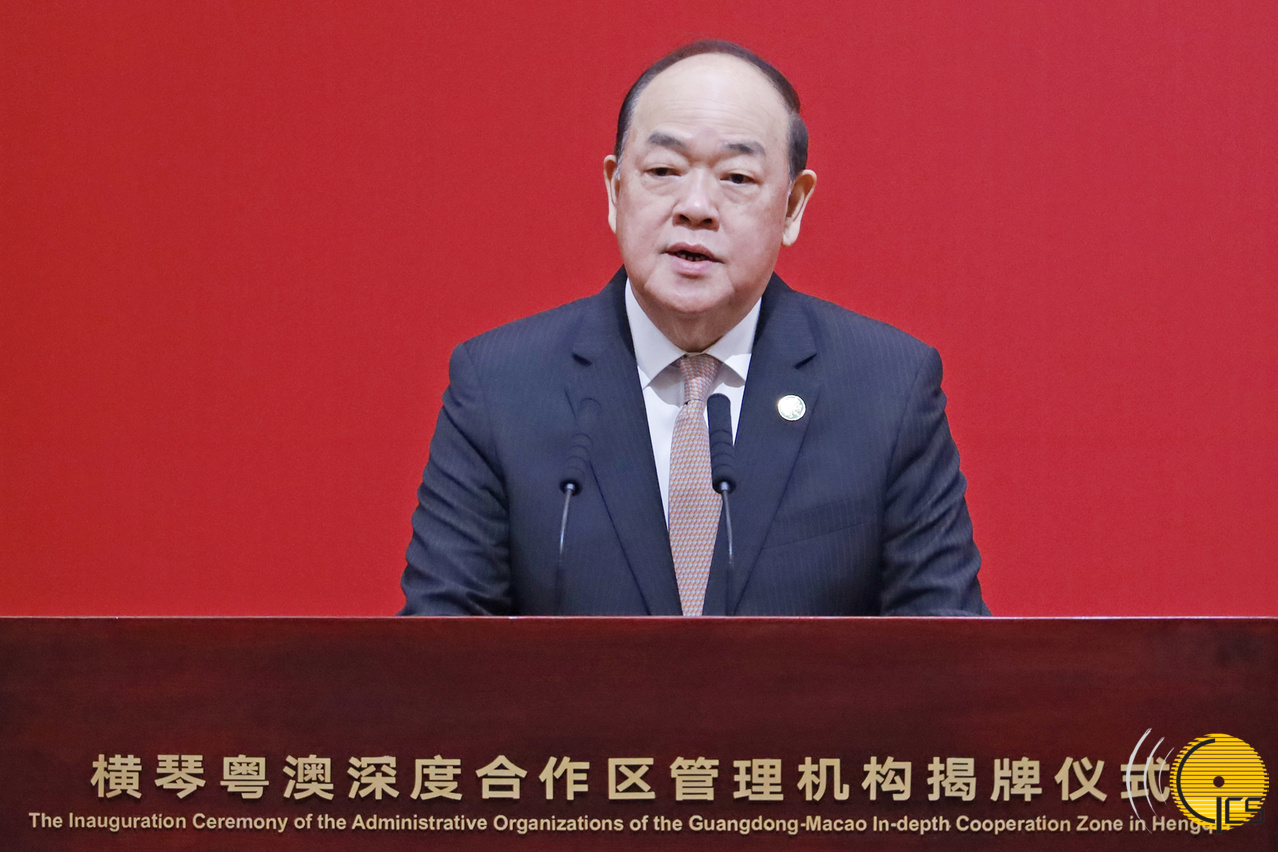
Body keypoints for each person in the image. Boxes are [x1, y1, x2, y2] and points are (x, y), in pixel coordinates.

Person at [399, 41, 988, 616]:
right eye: (663, 170)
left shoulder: (887, 391)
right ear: (614, 190)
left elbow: (947, 653)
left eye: (737, 178)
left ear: (792, 206)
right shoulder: (499, 387)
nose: (696, 206)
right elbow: (436, 654)